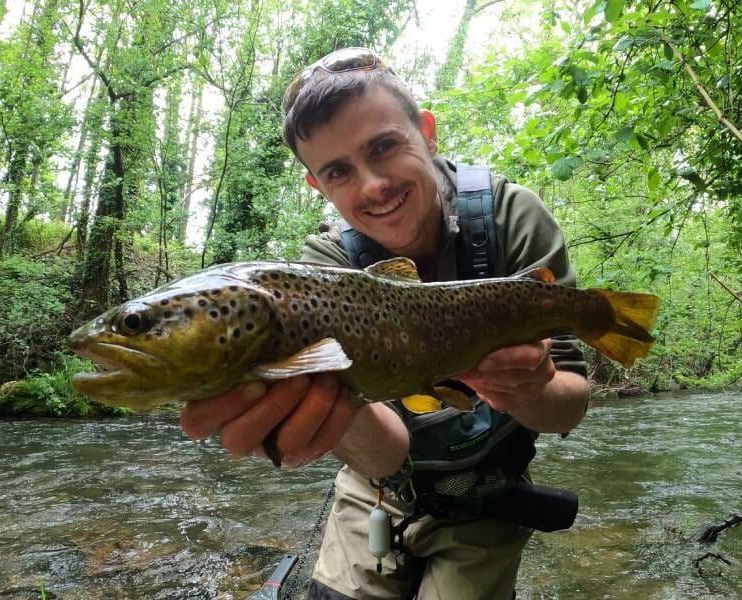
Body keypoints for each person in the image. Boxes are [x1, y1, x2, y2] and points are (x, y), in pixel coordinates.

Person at [180, 47, 590, 600]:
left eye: (383, 147)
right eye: (339, 171)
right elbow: (385, 452)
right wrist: (328, 400)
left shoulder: (510, 218)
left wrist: (534, 385)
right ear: (317, 186)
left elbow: (572, 405)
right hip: (375, 489)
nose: (372, 185)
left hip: (490, 491)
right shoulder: (319, 273)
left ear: (426, 132)